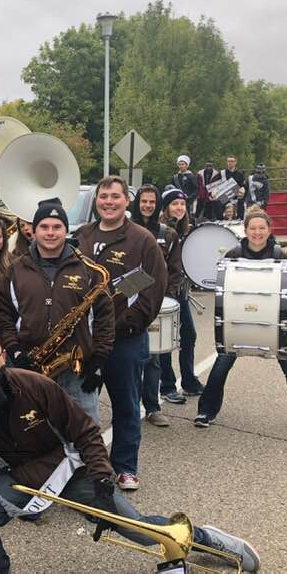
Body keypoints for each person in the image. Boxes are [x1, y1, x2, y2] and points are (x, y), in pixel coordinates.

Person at [0, 325, 260, 574]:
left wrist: (102, 477)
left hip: (65, 469)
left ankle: (207, 538)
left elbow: (84, 430)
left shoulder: (33, 384)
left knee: (138, 530)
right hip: (19, 476)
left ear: (2, 356)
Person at [195, 208, 287, 436]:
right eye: (253, 228)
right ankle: (206, 411)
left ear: (269, 230)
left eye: (261, 228)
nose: (257, 232)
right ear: (245, 231)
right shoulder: (233, 254)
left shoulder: (280, 255)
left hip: (274, 321)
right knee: (221, 365)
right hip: (237, 321)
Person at [74, 178, 166, 491]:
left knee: (126, 405)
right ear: (96, 200)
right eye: (104, 197)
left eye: (116, 196)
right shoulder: (83, 235)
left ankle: (125, 467)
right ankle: (84, 466)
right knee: (80, 406)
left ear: (127, 200)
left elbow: (150, 289)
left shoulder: (142, 239)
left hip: (124, 341)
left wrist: (118, 324)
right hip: (85, 341)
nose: (109, 202)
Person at [0, 198, 115, 424]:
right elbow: (4, 315)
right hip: (31, 367)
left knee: (86, 437)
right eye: (44, 227)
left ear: (65, 229)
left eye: (56, 227)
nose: (50, 233)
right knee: (37, 436)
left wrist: (99, 361)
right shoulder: (15, 269)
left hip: (78, 371)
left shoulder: (89, 270)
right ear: (33, 230)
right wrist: (15, 352)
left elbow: (104, 318)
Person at [129, 185, 181, 428]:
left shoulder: (168, 234)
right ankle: (127, 408)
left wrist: (164, 298)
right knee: (125, 361)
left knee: (153, 359)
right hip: (127, 303)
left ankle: (152, 407)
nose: (147, 205)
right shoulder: (126, 229)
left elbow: (173, 271)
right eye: (144, 201)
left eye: (152, 201)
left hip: (154, 306)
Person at [158, 188, 204, 403]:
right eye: (175, 204)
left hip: (181, 293)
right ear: (166, 207)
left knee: (188, 336)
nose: (179, 208)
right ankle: (167, 385)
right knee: (165, 339)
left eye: (182, 204)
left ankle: (188, 380)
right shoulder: (161, 231)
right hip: (165, 294)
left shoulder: (187, 231)